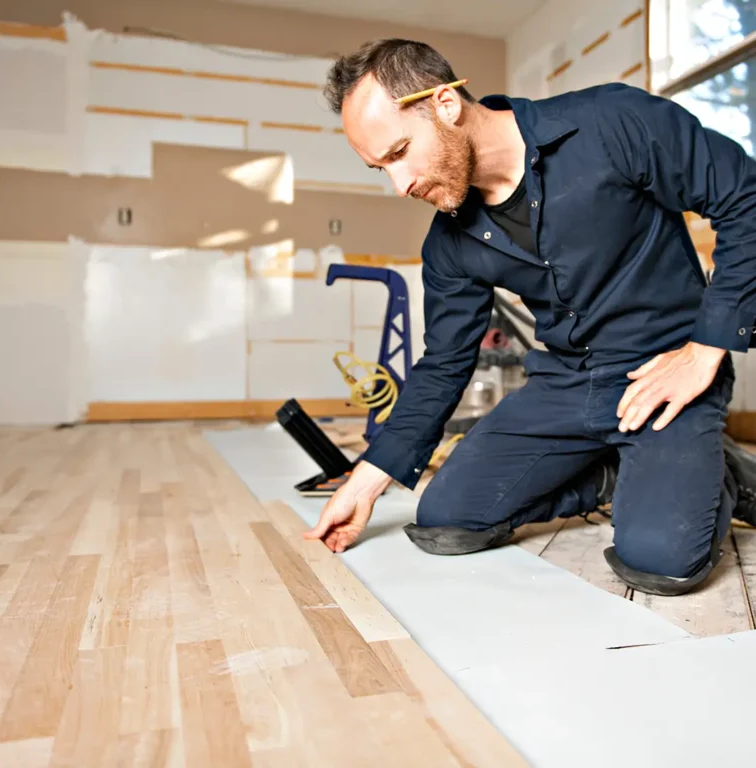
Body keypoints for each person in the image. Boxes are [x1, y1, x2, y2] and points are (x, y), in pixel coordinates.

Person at [303, 38, 756, 596]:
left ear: (445, 103)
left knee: (659, 563)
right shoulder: (450, 243)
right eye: (381, 168)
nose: (401, 186)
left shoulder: (612, 123)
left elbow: (747, 199)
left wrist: (704, 351)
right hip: (564, 385)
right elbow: (444, 362)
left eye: (399, 153)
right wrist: (366, 481)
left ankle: (720, 474)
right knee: (444, 520)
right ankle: (617, 473)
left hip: (663, 375)